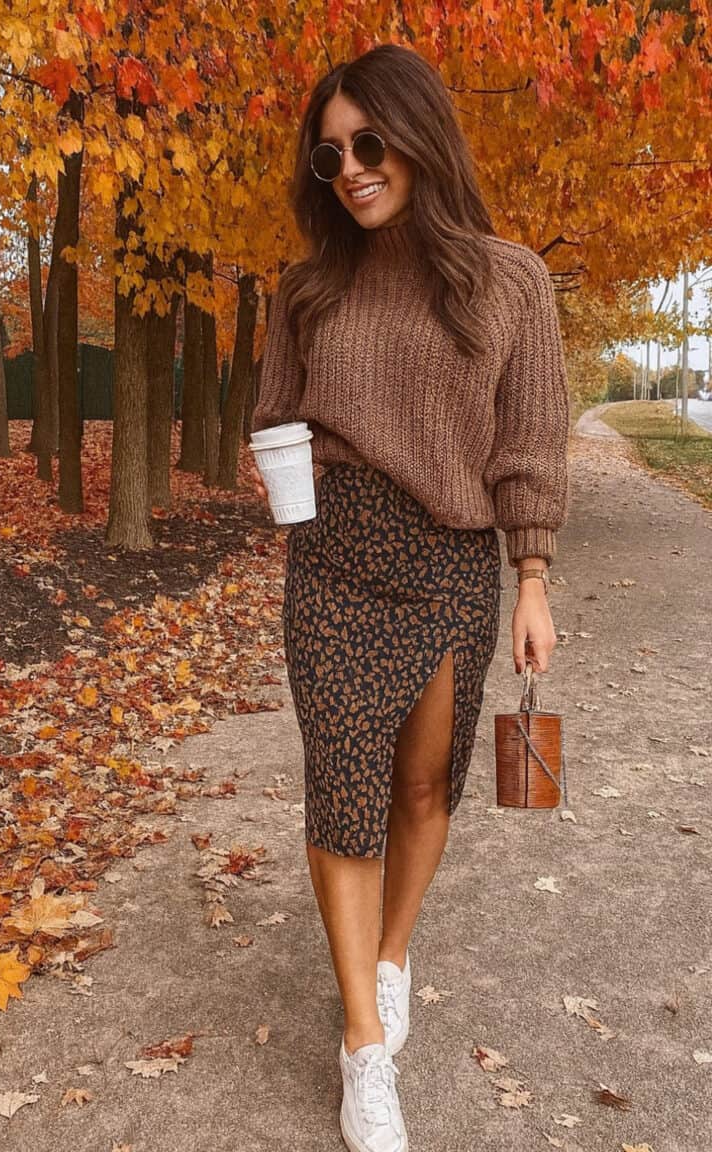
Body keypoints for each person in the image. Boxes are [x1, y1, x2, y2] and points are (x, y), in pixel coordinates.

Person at [250, 42, 569, 1152]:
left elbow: (529, 441)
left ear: (421, 137)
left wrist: (532, 578)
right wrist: (291, 487)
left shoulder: (508, 281)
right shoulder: (307, 290)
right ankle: (362, 1047)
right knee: (343, 792)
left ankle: (391, 962)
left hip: (450, 562)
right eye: (329, 154)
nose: (350, 168)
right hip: (335, 560)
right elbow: (274, 417)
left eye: (369, 143)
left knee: (425, 786)